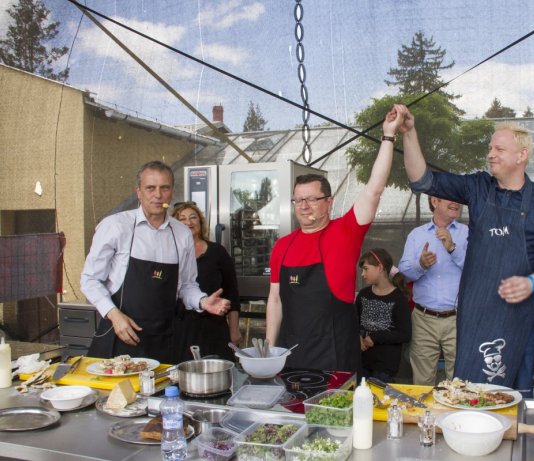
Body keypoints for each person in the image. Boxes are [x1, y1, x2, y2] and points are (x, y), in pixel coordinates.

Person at [395, 104, 534, 389]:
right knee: (469, 391)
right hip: (475, 310)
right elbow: (423, 180)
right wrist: (409, 133)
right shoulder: (477, 187)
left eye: (499, 149)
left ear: (522, 155)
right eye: (490, 148)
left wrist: (531, 282)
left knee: (512, 393)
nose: (490, 154)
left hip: (516, 316)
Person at [266, 107, 405, 372]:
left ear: (328, 202)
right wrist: (270, 350)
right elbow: (275, 300)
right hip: (290, 356)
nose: (303, 206)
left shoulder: (346, 231)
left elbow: (374, 189)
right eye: (298, 199)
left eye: (311, 199)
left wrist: (388, 137)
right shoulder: (283, 246)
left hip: (336, 356)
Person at [81, 161, 231, 364]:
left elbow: (186, 286)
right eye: (150, 188)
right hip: (121, 337)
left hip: (166, 341)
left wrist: (202, 301)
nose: (158, 195)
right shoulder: (115, 226)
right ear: (139, 192)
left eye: (164, 188)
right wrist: (114, 315)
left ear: (172, 192)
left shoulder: (181, 234)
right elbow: (90, 280)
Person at [398, 196, 468, 385]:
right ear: (434, 201)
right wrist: (420, 264)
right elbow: (404, 272)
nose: (456, 202)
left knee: (459, 381)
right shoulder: (416, 235)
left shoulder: (467, 233)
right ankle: (425, 415)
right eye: (450, 198)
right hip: (423, 319)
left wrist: (453, 248)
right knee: (422, 382)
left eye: (457, 198)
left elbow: (477, 270)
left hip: (458, 319)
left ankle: (455, 415)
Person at [171, 202, 241, 363]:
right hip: (180, 328)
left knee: (220, 376)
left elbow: (232, 294)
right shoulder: (169, 252)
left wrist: (234, 329)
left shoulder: (218, 252)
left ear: (200, 222)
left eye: (193, 217)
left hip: (214, 327)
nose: (189, 222)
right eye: (182, 219)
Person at [356, 248, 412, 383]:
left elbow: (405, 334)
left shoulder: (399, 299)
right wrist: (357, 337)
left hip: (385, 368)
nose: (363, 274)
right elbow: (353, 322)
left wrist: (375, 337)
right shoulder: (363, 294)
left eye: (366, 269)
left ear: (380, 268)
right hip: (361, 364)